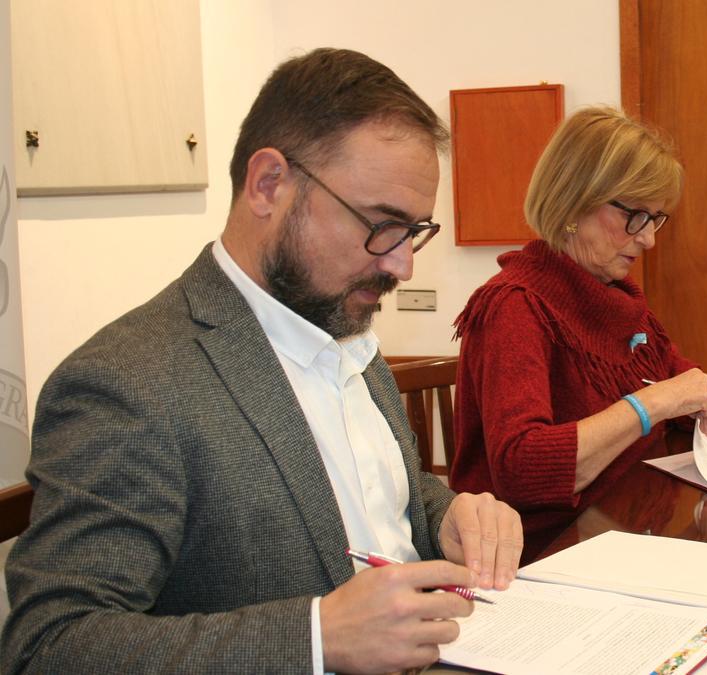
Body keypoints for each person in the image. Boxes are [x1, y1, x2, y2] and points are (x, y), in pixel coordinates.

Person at [1, 48, 522, 674]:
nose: (401, 265)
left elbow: (380, 508)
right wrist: (315, 639)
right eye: (382, 225)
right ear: (269, 184)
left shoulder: (342, 326)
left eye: (414, 232)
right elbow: (48, 646)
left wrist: (448, 516)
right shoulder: (128, 382)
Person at [450, 106, 707, 561]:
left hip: (621, 534)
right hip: (538, 556)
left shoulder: (616, 298)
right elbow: (523, 469)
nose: (648, 239)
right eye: (635, 216)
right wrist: (655, 403)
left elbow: (687, 385)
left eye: (656, 219)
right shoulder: (516, 306)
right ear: (574, 202)